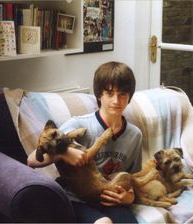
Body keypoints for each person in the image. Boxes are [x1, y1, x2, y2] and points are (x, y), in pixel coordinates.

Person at [27, 61, 142, 224]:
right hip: (78, 199)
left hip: (111, 199)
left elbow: (135, 177)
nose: (116, 100)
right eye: (110, 93)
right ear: (99, 95)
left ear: (129, 96)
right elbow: (32, 159)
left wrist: (129, 197)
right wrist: (65, 153)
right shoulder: (80, 125)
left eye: (122, 94)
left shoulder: (135, 135)